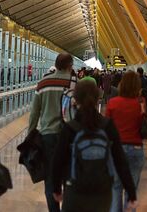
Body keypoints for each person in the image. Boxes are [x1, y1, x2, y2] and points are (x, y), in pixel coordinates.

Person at [52, 80, 138, 212]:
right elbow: (120, 161)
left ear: (75, 99)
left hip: (75, 190)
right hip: (102, 192)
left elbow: (58, 161)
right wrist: (131, 193)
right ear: (98, 97)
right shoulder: (107, 126)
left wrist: (56, 189)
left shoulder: (70, 128)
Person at [28, 53, 76, 212]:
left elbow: (34, 112)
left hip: (47, 136)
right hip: (69, 136)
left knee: (50, 178)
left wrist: (31, 135)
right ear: (70, 66)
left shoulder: (43, 83)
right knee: (68, 177)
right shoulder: (74, 83)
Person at [106, 71, 146, 212]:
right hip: (136, 149)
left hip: (116, 150)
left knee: (115, 187)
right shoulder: (140, 103)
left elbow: (107, 128)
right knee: (132, 190)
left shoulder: (112, 103)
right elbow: (144, 127)